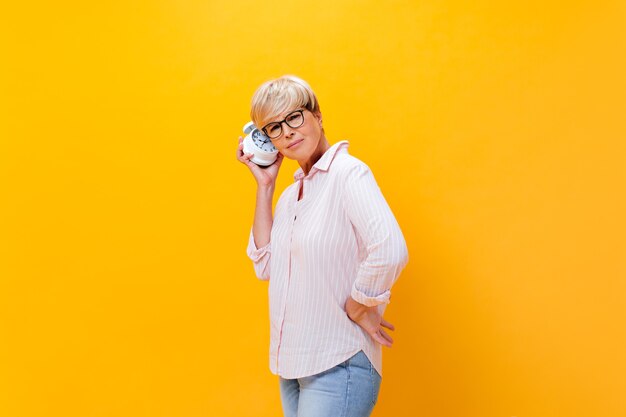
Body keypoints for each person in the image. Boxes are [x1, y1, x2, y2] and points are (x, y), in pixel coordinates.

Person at [236, 75, 408, 417]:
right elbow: (264, 265)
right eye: (273, 127)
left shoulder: (348, 173)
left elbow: (390, 249)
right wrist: (265, 186)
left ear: (317, 115)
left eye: (294, 117)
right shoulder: (289, 197)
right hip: (292, 368)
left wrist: (360, 305)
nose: (286, 132)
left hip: (339, 361)